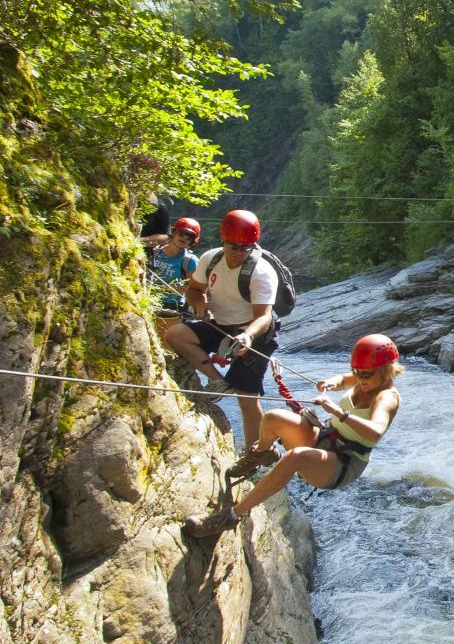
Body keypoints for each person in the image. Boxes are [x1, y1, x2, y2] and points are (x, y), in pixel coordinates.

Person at [183, 334, 404, 538]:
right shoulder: (362, 377)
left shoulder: (386, 398)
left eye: (365, 374)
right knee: (272, 418)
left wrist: (338, 412)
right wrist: (331, 383)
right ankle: (261, 455)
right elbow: (343, 380)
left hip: (345, 463)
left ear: (385, 370)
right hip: (325, 438)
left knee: (295, 457)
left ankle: (230, 516)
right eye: (357, 372)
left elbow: (375, 432)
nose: (360, 378)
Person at [162, 209, 280, 448]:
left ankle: (256, 453)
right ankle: (218, 381)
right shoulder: (210, 259)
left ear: (253, 245)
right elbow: (195, 289)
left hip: (255, 331)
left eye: (244, 248)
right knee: (175, 335)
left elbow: (264, 316)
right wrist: (200, 306)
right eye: (233, 246)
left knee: (246, 399)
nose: (238, 253)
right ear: (222, 240)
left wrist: (247, 336)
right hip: (220, 323)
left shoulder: (262, 273)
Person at [149, 217, 201, 327]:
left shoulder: (190, 261)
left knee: (164, 341)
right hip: (148, 299)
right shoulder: (156, 252)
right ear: (174, 232)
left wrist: (170, 288)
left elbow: (193, 288)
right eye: (182, 233)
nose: (185, 238)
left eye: (189, 236)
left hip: (171, 307)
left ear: (192, 240)